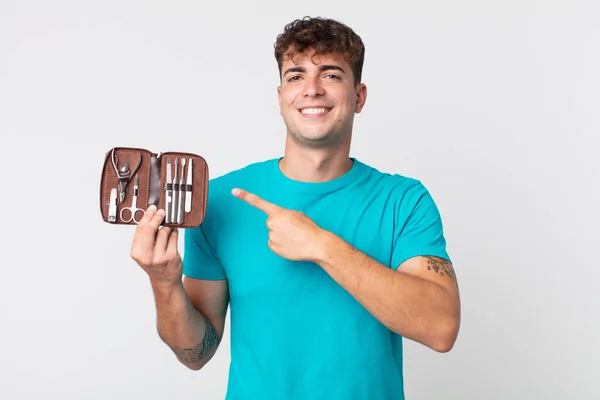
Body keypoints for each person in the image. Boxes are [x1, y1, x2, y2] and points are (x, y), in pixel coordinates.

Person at [130, 16, 461, 400]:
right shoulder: (220, 200)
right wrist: (163, 282)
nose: (312, 90)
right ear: (281, 96)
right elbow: (195, 352)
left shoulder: (403, 201)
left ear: (359, 96)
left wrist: (322, 246)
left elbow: (441, 328)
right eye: (296, 76)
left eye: (332, 75)